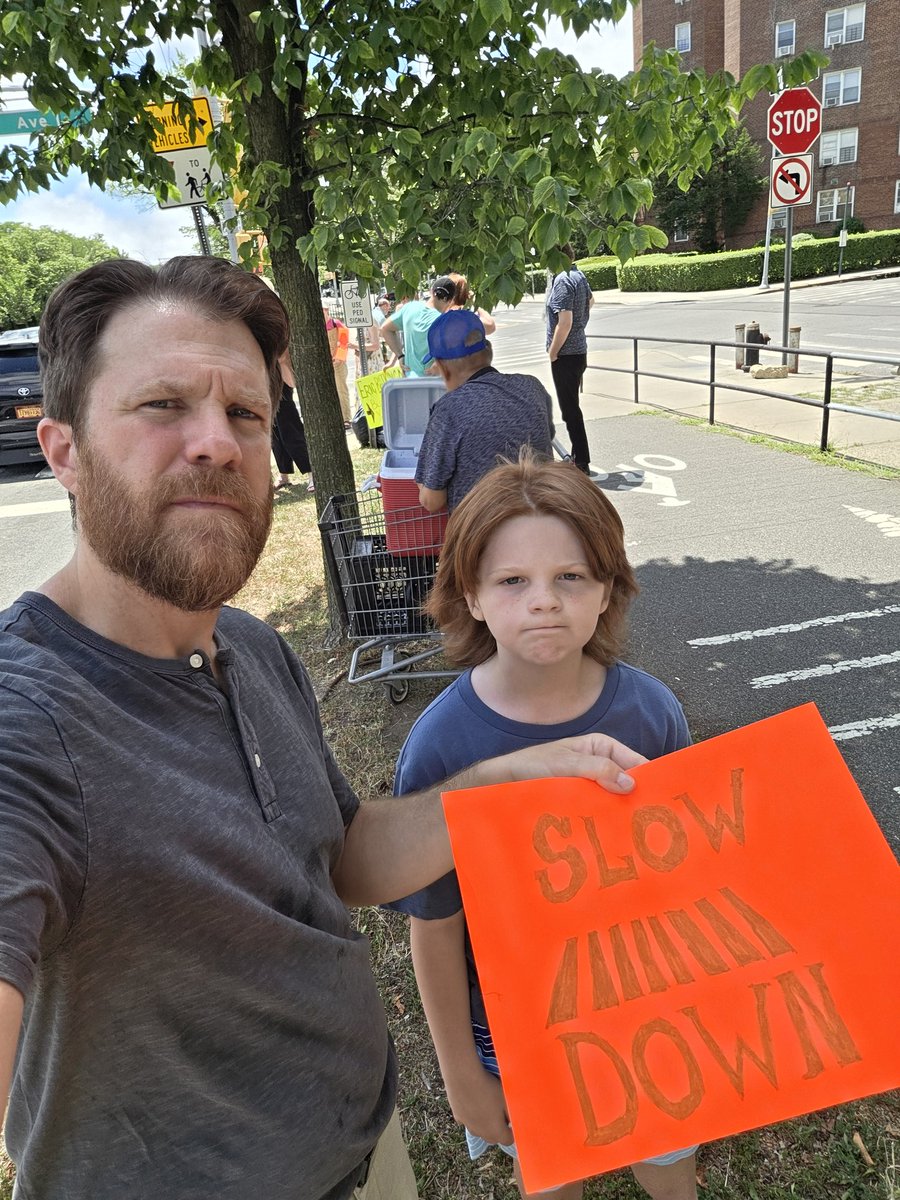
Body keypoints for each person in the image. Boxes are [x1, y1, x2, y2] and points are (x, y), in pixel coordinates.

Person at [0, 256, 647, 1200]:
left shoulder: (252, 648)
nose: (216, 443)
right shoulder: (28, 720)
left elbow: (342, 857)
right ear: (63, 450)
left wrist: (506, 782)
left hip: (367, 1150)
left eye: (247, 415)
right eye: (162, 405)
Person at [389, 452, 699, 1200]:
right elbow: (435, 925)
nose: (544, 602)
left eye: (571, 577)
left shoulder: (652, 715)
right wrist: (463, 1074)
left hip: (647, 1005)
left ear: (608, 590)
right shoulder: (442, 747)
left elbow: (691, 876)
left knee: (670, 1167)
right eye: (512, 581)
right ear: (470, 593)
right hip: (517, 1026)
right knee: (553, 1175)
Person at [414, 309, 553, 513]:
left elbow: (431, 500)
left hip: (482, 533)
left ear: (444, 368)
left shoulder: (449, 409)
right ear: (488, 352)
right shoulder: (532, 387)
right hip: (543, 518)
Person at [546, 244, 595, 475]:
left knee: (570, 410)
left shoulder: (562, 280)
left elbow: (564, 321)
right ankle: (581, 458)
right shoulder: (578, 274)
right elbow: (590, 301)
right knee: (572, 408)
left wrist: (553, 351)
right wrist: (581, 325)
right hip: (579, 350)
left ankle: (581, 462)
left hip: (566, 354)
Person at [380, 275, 460, 377]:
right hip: (435, 385)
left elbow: (385, 328)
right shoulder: (446, 321)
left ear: (431, 291)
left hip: (410, 381)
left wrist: (400, 356)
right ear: (450, 301)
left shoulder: (409, 308)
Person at [272, 379, 313, 492]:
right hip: (263, 386)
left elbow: (291, 381)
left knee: (291, 433)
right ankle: (283, 474)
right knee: (275, 437)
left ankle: (312, 473)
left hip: (280, 386)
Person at [323, 303, 355, 426]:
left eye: (323, 310)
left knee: (341, 390)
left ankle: (346, 418)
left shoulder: (336, 324)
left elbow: (344, 342)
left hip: (338, 363)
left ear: (327, 310)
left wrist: (339, 358)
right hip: (325, 364)